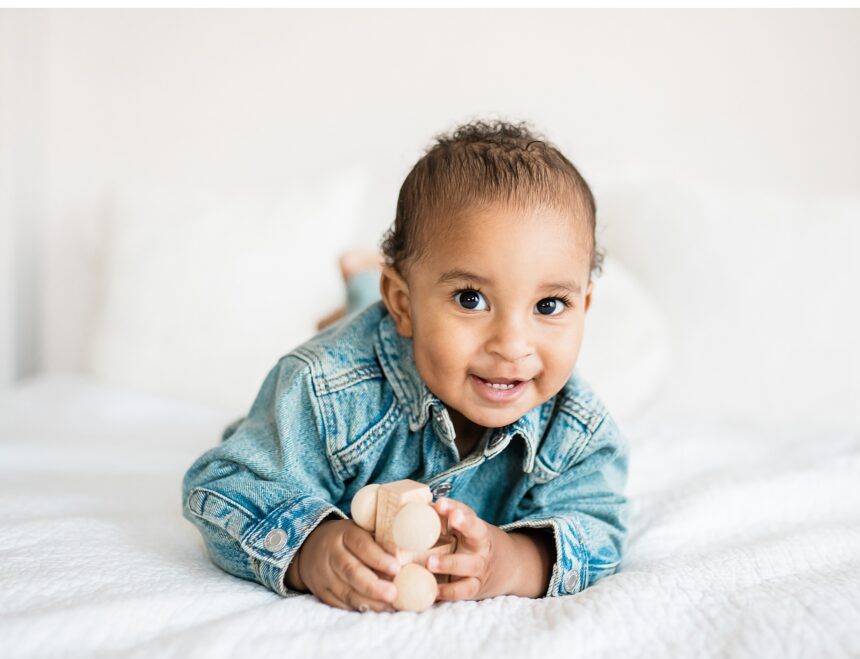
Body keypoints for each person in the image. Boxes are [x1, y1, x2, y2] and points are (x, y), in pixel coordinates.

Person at [181, 119, 629, 612]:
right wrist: (311, 549)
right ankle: (360, 284)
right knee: (356, 322)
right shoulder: (326, 386)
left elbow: (599, 528)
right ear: (402, 302)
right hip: (374, 342)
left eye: (548, 306)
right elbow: (223, 486)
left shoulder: (575, 428)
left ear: (584, 306)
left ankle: (362, 281)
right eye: (471, 298)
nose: (511, 345)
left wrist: (515, 562)